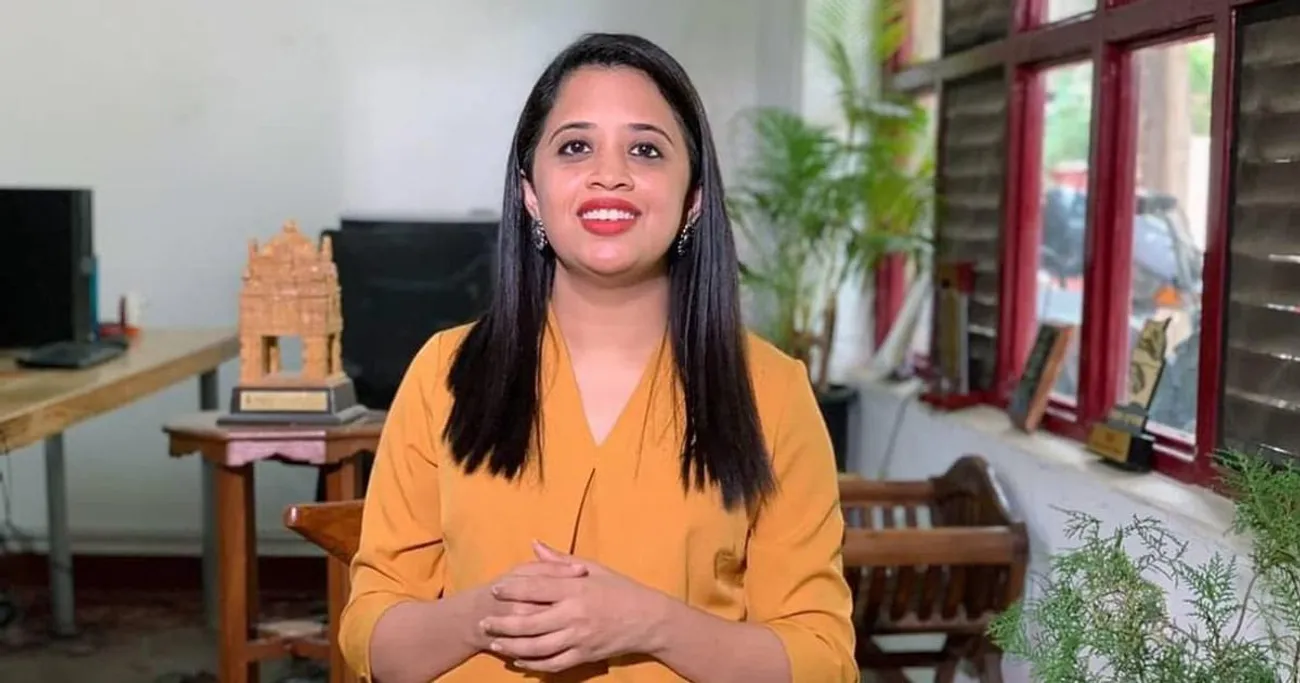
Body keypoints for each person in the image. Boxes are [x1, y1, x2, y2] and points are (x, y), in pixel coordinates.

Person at [338, 32, 857, 683]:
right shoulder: (444, 373)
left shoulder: (772, 391)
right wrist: (486, 613)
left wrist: (652, 623)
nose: (609, 174)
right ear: (531, 191)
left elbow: (822, 659)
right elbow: (372, 638)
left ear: (693, 197)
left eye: (646, 149)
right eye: (575, 147)